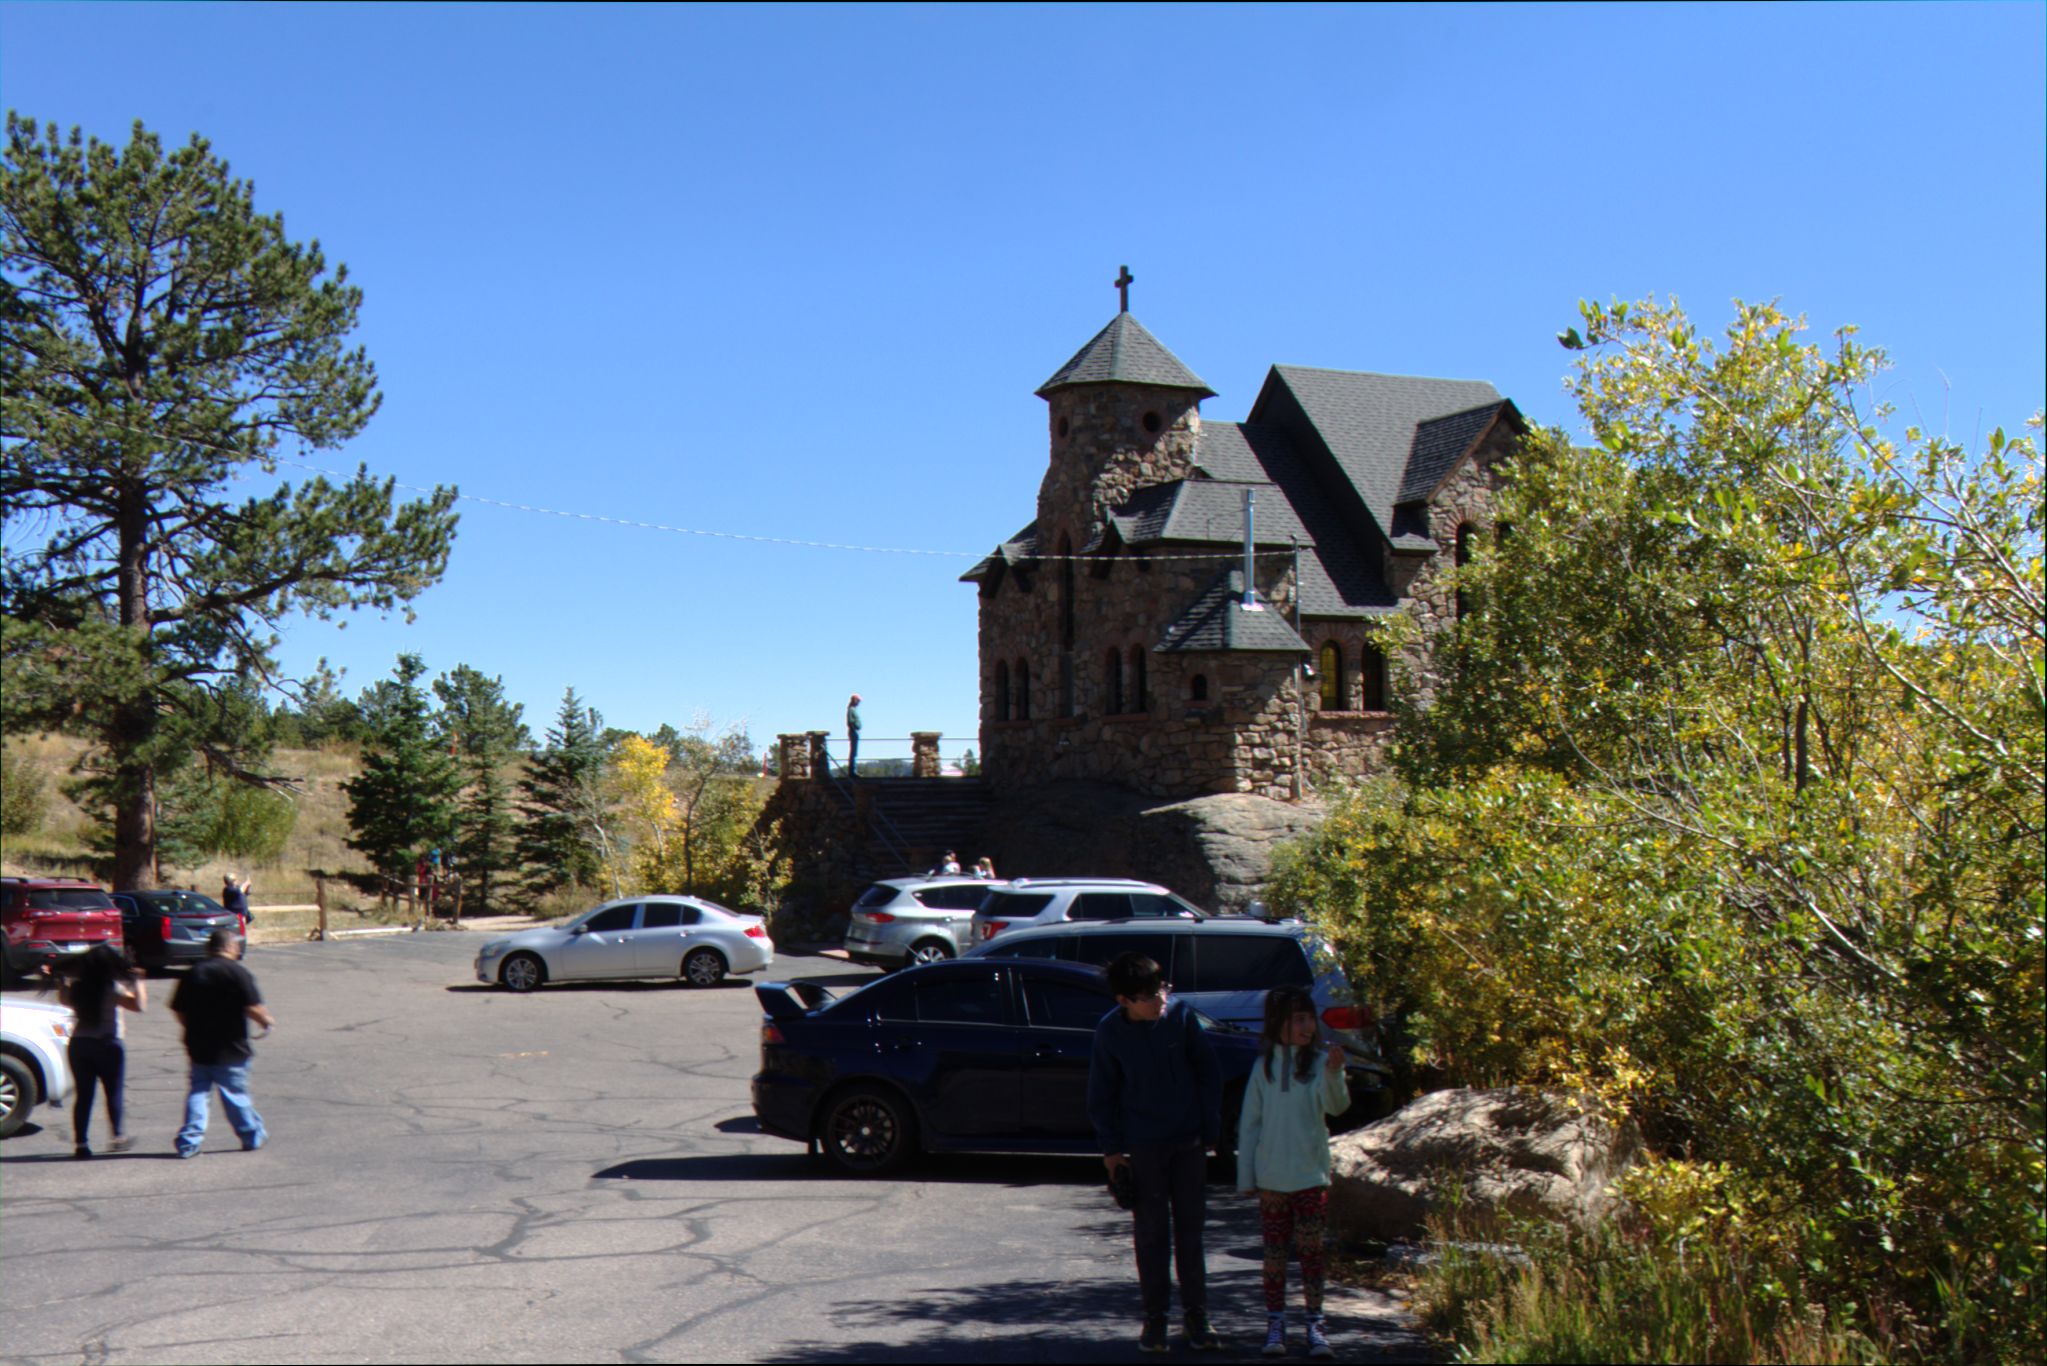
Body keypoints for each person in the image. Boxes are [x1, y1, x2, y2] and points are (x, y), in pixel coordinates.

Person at [1088, 951, 1223, 1354]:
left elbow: (1208, 1073)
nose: (1160, 999)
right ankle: (1156, 1318)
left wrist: (1209, 1133)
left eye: (1162, 989)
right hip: (1144, 1147)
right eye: (1149, 995)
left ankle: (1197, 1317)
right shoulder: (1110, 1033)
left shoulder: (1181, 1018)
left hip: (1188, 1144)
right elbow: (1102, 1095)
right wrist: (1112, 1152)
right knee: (1151, 1235)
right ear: (1124, 1001)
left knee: (1191, 1233)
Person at [1237, 987, 1350, 1359]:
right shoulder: (1264, 1066)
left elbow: (1336, 1106)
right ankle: (1275, 1323)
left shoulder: (1319, 1062)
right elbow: (1250, 1125)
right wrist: (1246, 1177)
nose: (1306, 1026)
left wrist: (1334, 1072)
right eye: (1296, 1019)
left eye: (1308, 1018)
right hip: (1272, 1180)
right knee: (1274, 1256)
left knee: (1311, 1252)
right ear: (1277, 1024)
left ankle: (1315, 1324)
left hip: (1310, 1176)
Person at [169, 929, 273, 1158]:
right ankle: (251, 1135)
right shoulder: (238, 973)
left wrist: (190, 1027)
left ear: (209, 948)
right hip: (231, 1046)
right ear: (230, 947)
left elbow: (178, 1009)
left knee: (199, 1092)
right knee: (234, 1093)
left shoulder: (193, 973)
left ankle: (189, 1141)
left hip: (198, 1045)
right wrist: (266, 1021)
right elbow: (253, 1006)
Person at [50, 945, 146, 1158]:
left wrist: (61, 981)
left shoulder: (77, 988)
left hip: (80, 1044)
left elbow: (63, 998)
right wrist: (137, 980)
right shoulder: (112, 987)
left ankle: (81, 1143)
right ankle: (117, 1137)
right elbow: (139, 1006)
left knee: (84, 1095)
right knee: (113, 1092)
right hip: (108, 1044)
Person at [845, 693, 862, 777]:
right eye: (858, 701)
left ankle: (852, 770)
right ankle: (852, 771)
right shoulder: (851, 709)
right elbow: (850, 721)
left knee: (854, 752)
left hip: (855, 731)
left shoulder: (852, 709)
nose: (859, 703)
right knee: (853, 752)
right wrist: (855, 727)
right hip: (853, 731)